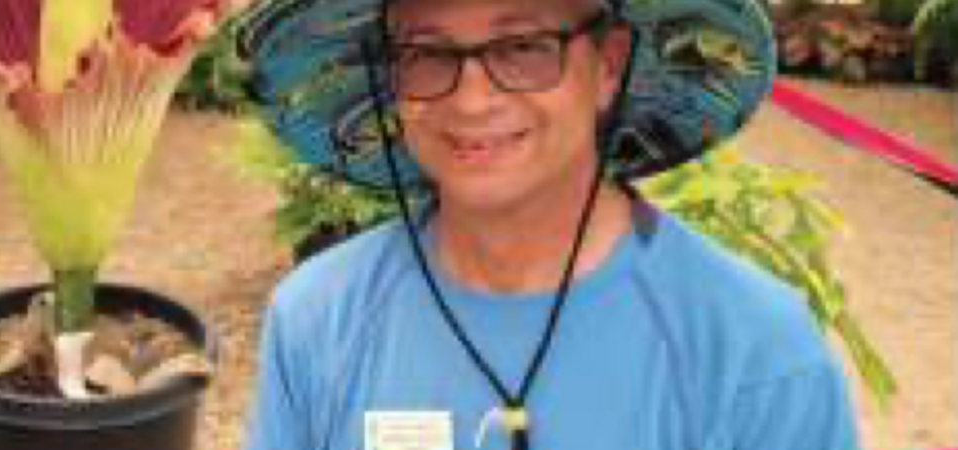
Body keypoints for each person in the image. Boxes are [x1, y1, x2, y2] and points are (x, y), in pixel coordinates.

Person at [236, 0, 861, 448]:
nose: (472, 100)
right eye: (426, 53)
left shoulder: (756, 353)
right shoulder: (317, 321)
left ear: (609, 65)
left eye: (523, 47)